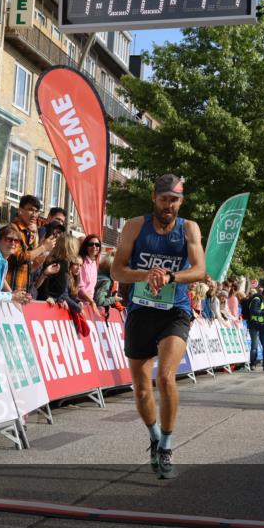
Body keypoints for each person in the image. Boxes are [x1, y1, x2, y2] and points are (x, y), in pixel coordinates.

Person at [111, 173, 205, 479]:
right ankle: (154, 437)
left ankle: (166, 445)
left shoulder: (189, 228)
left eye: (174, 200)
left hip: (175, 311)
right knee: (141, 391)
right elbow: (117, 270)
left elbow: (200, 270)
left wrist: (170, 277)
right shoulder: (135, 226)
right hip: (141, 310)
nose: (169, 205)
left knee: (165, 377)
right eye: (164, 199)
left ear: (181, 201)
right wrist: (145, 274)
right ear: (154, 198)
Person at [7, 194, 55, 292]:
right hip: (9, 290)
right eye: (30, 210)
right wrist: (43, 247)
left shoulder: (28, 232)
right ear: (20, 210)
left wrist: (42, 255)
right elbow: (20, 257)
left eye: (36, 211)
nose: (34, 214)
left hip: (22, 290)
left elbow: (29, 266)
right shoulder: (12, 230)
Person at [246, 287, 264, 371]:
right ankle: (253, 364)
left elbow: (262, 312)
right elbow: (253, 311)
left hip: (262, 326)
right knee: (254, 346)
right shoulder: (257, 299)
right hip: (254, 325)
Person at [77, 234, 102, 309]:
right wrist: (92, 301)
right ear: (86, 246)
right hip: (79, 304)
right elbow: (79, 287)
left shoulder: (94, 262)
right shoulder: (81, 262)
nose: (94, 247)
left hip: (89, 304)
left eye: (97, 245)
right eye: (91, 244)